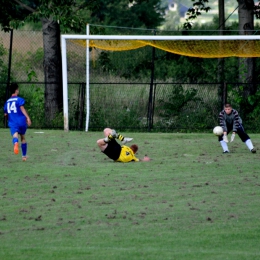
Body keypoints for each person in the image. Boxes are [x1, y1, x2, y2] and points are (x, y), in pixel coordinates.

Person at [4, 83, 32, 161]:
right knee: (22, 137)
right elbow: (22, 108)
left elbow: (5, 113)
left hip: (13, 122)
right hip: (21, 121)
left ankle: (15, 143)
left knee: (15, 135)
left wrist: (8, 118)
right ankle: (24, 156)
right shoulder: (19, 99)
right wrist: (28, 117)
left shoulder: (7, 101)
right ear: (16, 90)